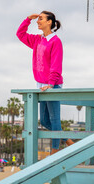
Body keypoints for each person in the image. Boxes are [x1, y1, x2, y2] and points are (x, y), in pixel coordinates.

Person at [16, 11, 74, 154]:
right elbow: (20, 34)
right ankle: (69, 141)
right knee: (44, 122)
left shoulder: (55, 41)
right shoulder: (37, 40)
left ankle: (55, 152)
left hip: (52, 85)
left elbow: (56, 65)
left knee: (54, 119)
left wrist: (51, 84)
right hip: (41, 86)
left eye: (41, 19)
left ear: (49, 22)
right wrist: (28, 19)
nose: (38, 21)